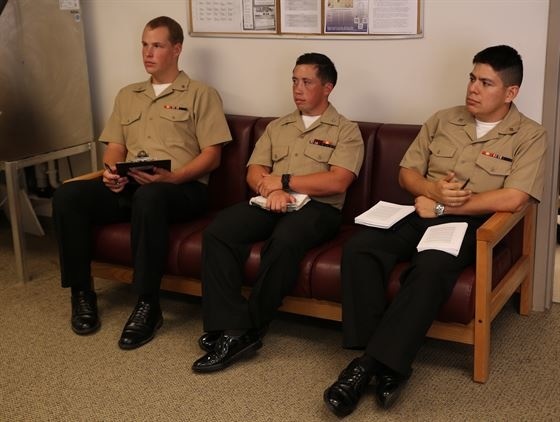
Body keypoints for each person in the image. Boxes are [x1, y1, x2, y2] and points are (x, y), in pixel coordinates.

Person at [323, 44, 547, 415]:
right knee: (361, 248)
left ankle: (365, 367)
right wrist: (430, 192)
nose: (473, 88)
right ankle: (381, 356)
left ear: (511, 92)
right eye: (472, 78)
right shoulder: (443, 119)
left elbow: (513, 198)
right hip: (423, 210)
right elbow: (407, 172)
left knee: (430, 268)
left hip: (472, 223)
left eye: (486, 82)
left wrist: (445, 204)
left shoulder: (529, 135)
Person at [52, 16, 232, 350]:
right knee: (68, 195)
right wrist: (111, 172)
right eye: (145, 45)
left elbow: (213, 155)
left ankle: (148, 304)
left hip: (182, 189)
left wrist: (173, 177)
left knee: (150, 198)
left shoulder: (200, 94)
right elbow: (116, 146)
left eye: (157, 46)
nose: (148, 53)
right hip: (133, 185)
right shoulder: (128, 95)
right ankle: (82, 293)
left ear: (176, 49)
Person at [191, 53, 364, 373]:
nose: (298, 88)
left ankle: (251, 326)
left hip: (319, 209)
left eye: (307, 82)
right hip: (272, 202)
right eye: (295, 80)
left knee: (284, 240)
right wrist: (271, 190)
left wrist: (285, 182)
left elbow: (338, 180)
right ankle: (233, 325)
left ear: (328, 87)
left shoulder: (346, 130)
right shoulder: (278, 126)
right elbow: (254, 170)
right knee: (219, 230)